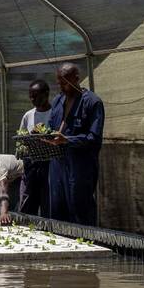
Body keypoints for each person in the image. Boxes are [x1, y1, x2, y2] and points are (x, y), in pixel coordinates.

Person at [46, 63, 105, 226]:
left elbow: (94, 138)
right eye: (59, 82)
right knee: (58, 209)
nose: (61, 86)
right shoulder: (58, 100)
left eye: (65, 82)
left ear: (76, 79)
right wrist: (44, 135)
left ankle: (87, 246)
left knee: (80, 209)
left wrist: (67, 140)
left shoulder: (93, 103)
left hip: (80, 166)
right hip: (58, 163)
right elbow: (51, 127)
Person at [18, 79, 51, 216]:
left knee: (47, 201)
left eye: (36, 95)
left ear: (46, 94)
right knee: (27, 199)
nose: (32, 99)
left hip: (49, 164)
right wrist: (26, 143)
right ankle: (25, 226)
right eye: (31, 96)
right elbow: (21, 139)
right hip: (31, 164)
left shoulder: (54, 113)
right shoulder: (28, 115)